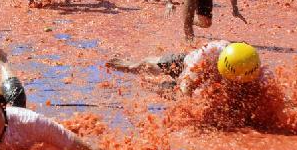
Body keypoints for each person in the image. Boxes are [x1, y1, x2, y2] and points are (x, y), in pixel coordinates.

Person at [106, 41, 262, 96]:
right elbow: (185, 85)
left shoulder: (254, 67)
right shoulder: (206, 55)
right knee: (156, 73)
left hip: (211, 75)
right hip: (185, 64)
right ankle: (132, 65)